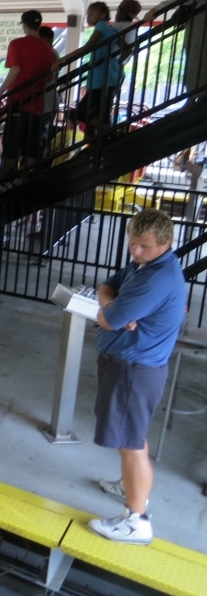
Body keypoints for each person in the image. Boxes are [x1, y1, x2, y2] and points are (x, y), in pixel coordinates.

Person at [87, 209, 185, 545]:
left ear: (165, 244)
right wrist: (111, 306)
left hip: (133, 368)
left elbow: (107, 319)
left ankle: (136, 520)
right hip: (130, 363)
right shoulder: (145, 265)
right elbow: (107, 288)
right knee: (133, 438)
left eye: (143, 246)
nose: (135, 252)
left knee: (131, 445)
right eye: (132, 243)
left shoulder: (157, 279)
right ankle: (131, 488)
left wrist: (111, 311)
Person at [0, 10, 58, 170]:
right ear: (39, 25)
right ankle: (24, 183)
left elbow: (15, 70)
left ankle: (5, 184)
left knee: (10, 151)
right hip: (37, 106)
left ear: (24, 26)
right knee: (30, 151)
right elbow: (48, 79)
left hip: (18, 103)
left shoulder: (16, 44)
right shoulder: (48, 51)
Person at [63, 2, 129, 137]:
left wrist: (61, 61)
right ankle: (103, 142)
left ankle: (113, 133)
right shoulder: (112, 30)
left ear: (103, 15)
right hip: (113, 78)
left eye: (91, 14)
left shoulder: (101, 26)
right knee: (101, 114)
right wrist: (116, 63)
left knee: (81, 112)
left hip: (101, 80)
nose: (88, 17)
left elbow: (87, 47)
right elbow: (127, 50)